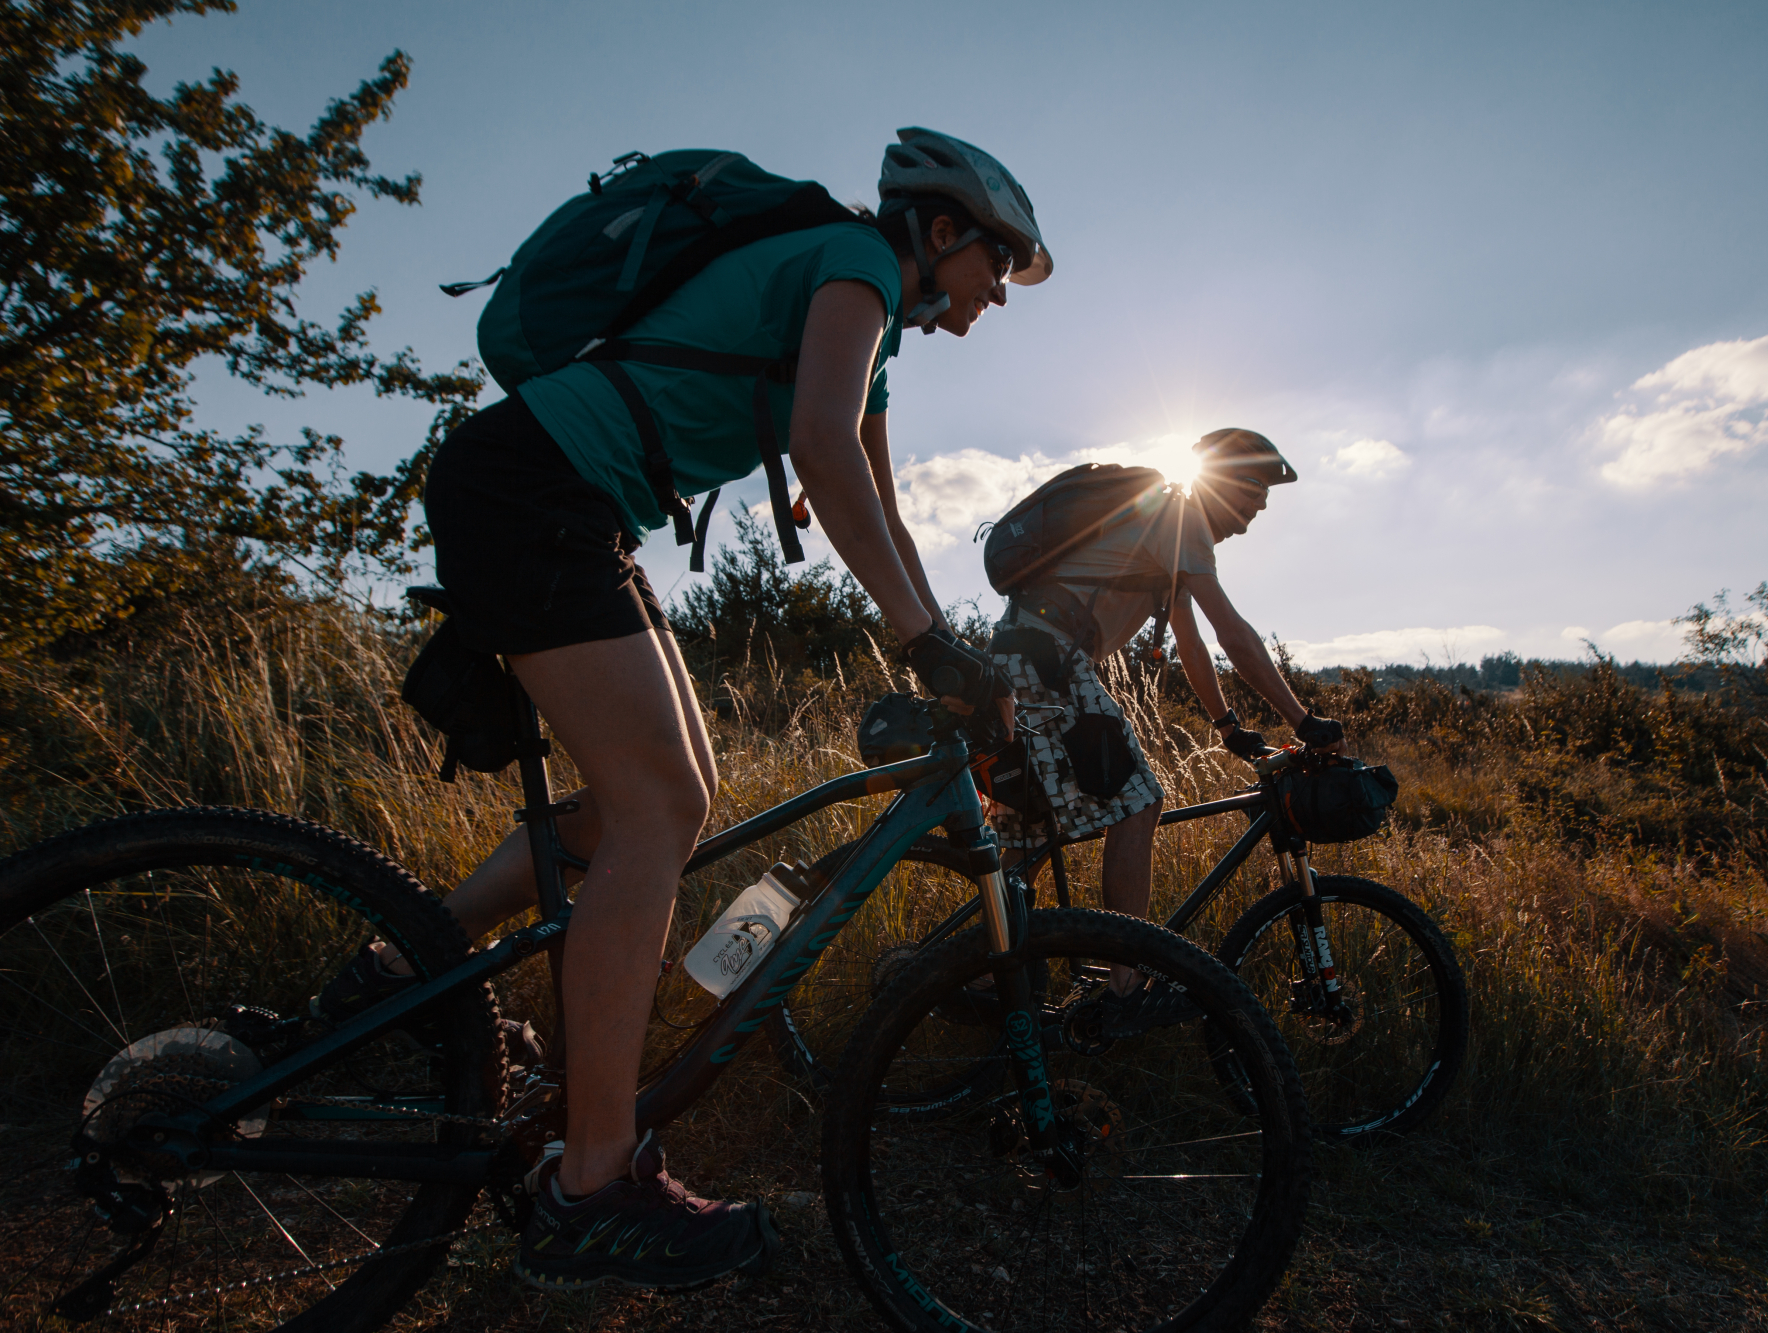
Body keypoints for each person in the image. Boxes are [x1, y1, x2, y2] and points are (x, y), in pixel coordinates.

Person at [312, 128, 1039, 1292]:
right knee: (660, 807)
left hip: (565, 498)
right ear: (942, 230)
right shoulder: (852, 261)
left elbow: (880, 513)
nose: (993, 296)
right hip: (538, 486)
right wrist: (923, 643)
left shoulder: (872, 335)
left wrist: (944, 647)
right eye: (994, 266)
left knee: (650, 805)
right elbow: (817, 450)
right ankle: (589, 1189)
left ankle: (403, 974)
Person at [984, 428, 1347, 1035]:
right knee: (1140, 804)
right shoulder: (1181, 518)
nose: (1254, 518)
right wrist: (1302, 720)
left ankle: (975, 977)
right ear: (1229, 482)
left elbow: (1191, 640)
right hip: (1048, 660)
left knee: (1028, 836)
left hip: (1018, 661)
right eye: (1254, 499)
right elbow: (1232, 631)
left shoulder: (1163, 532)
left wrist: (1228, 726)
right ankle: (1126, 988)